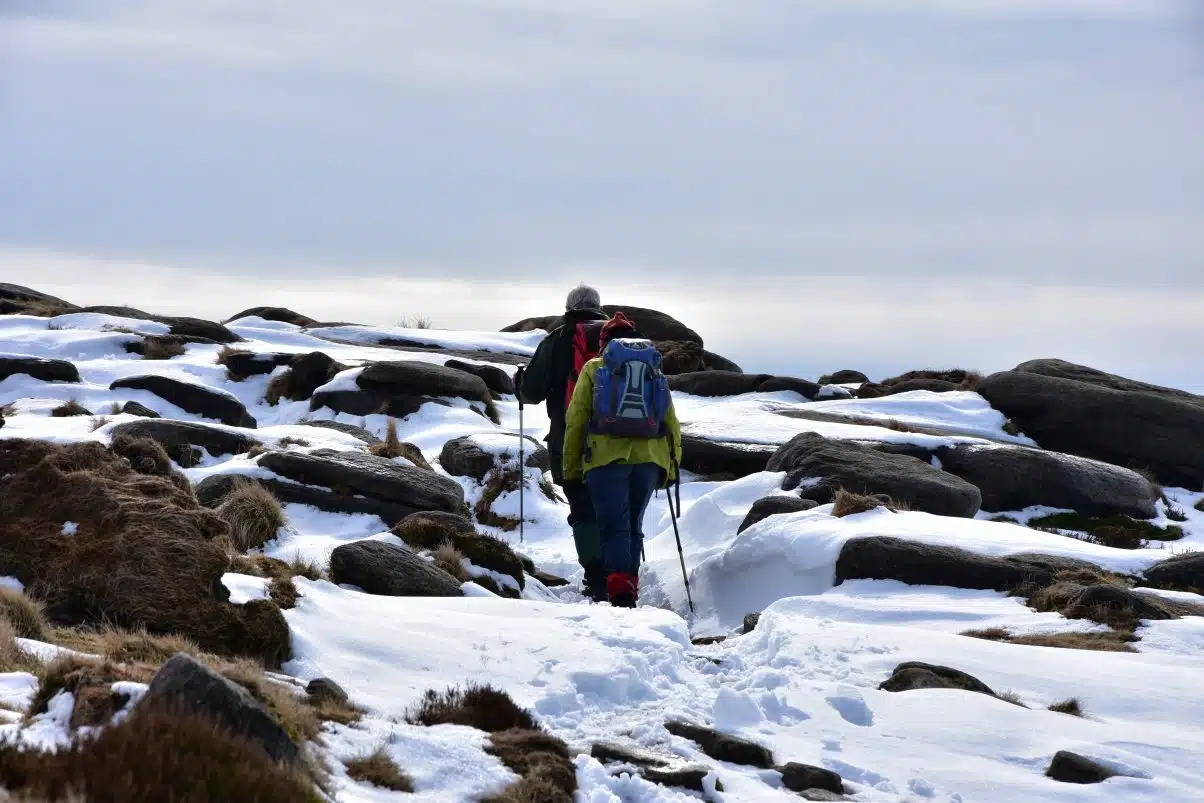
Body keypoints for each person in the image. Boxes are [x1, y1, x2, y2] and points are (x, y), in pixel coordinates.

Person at [562, 314, 682, 608]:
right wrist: (672, 465)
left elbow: (576, 420)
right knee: (633, 527)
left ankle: (620, 594)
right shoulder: (654, 369)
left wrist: (571, 469)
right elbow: (670, 421)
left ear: (604, 343)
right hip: (650, 460)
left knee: (613, 527)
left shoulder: (593, 368)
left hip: (604, 460)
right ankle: (629, 586)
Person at [518, 284, 611, 600]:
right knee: (616, 508)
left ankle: (597, 578)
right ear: (598, 307)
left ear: (569, 307)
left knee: (583, 508)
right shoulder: (619, 341)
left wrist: (520, 382)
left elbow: (530, 392)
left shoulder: (556, 341)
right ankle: (623, 576)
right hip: (621, 442)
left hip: (568, 440)